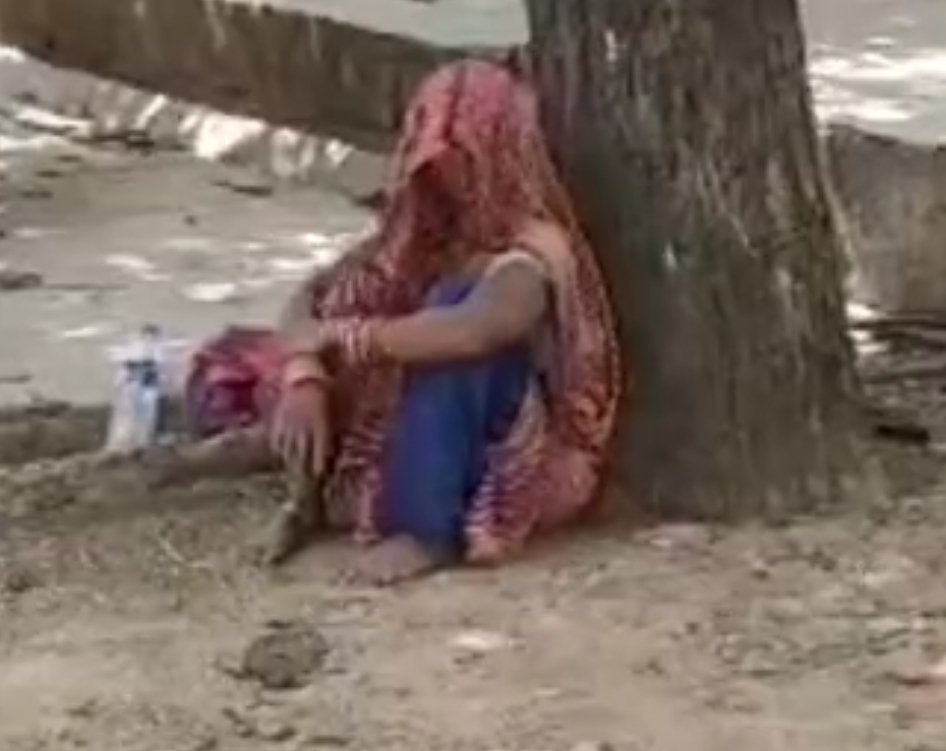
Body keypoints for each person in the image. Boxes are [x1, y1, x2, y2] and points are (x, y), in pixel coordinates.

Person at [178, 60, 621, 584]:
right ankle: (290, 476)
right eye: (437, 162)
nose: (450, 179)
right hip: (396, 425)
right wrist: (305, 372)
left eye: (465, 161)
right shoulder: (420, 234)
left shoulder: (532, 251)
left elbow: (479, 328)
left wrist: (350, 338)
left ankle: (425, 531)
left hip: (505, 452)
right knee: (291, 347)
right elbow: (313, 299)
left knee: (448, 333)